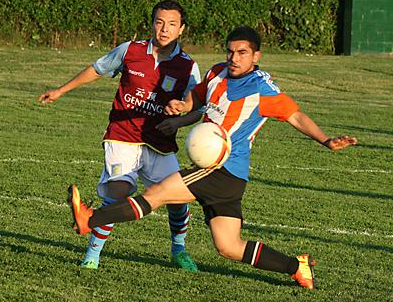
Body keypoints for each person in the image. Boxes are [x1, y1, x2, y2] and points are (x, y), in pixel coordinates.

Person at [67, 26, 357, 289]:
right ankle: (297, 266)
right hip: (231, 179)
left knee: (156, 194)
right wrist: (183, 105)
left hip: (220, 168)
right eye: (230, 51)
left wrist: (326, 140)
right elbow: (199, 95)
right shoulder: (217, 72)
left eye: (242, 53)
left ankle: (90, 219)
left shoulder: (261, 89)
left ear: (256, 55)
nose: (234, 57)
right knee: (229, 246)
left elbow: (295, 115)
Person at [38, 0, 202, 271]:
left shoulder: (188, 68)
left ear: (181, 29)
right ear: (152, 24)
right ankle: (93, 253)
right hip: (122, 135)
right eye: (159, 22)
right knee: (118, 192)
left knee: (178, 198)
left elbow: (197, 109)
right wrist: (61, 90)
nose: (164, 29)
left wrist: (179, 122)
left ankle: (179, 250)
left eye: (172, 24)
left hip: (160, 142)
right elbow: (96, 69)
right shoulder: (130, 50)